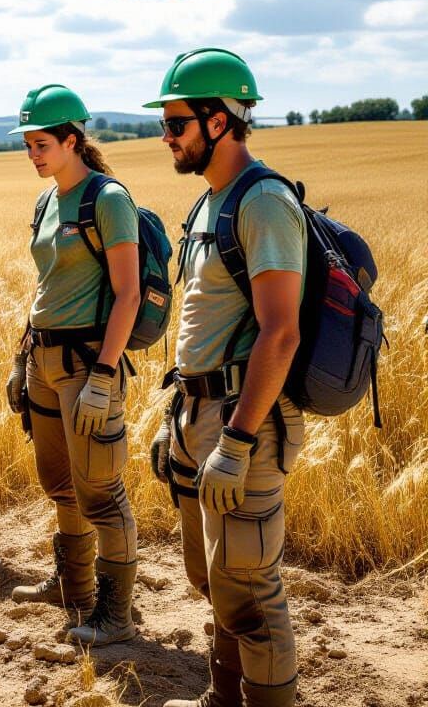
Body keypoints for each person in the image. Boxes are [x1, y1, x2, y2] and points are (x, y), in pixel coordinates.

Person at [145, 49, 306, 707]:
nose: (166, 136)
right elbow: (200, 324)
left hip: (245, 419)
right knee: (211, 577)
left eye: (175, 122)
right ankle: (221, 696)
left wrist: (236, 443)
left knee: (250, 590)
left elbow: (282, 332)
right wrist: (173, 416)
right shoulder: (210, 203)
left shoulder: (262, 202)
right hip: (198, 414)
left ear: (219, 120)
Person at [6, 84, 140, 646]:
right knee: (59, 484)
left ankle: (116, 615)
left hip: (88, 364)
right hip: (43, 359)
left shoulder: (107, 200)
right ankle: (73, 586)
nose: (33, 154)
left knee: (102, 494)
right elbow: (47, 286)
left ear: (72, 140)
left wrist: (104, 377)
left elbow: (128, 295)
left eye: (41, 144)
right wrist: (21, 359)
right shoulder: (46, 202)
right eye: (28, 145)